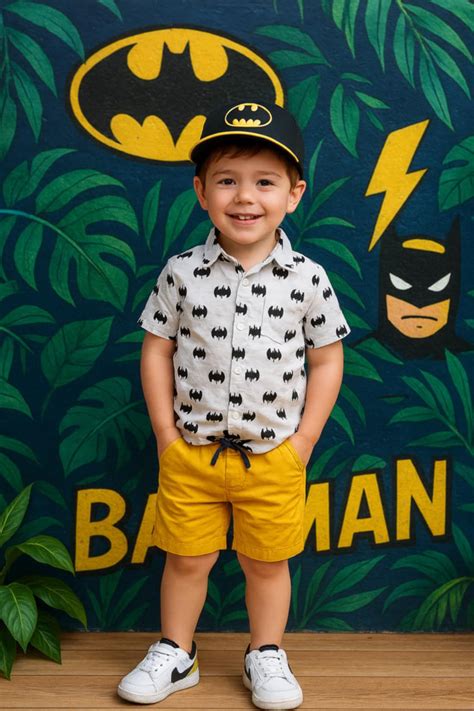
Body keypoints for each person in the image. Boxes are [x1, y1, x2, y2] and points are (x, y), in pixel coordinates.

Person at [117, 101, 351, 709]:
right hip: (191, 454)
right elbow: (156, 348)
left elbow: (327, 360)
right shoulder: (182, 272)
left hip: (273, 457)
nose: (245, 197)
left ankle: (265, 653)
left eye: (265, 182)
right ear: (201, 192)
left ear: (294, 195)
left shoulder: (307, 278)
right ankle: (177, 652)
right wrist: (166, 435)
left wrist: (303, 443)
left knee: (266, 565)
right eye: (227, 180)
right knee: (186, 560)